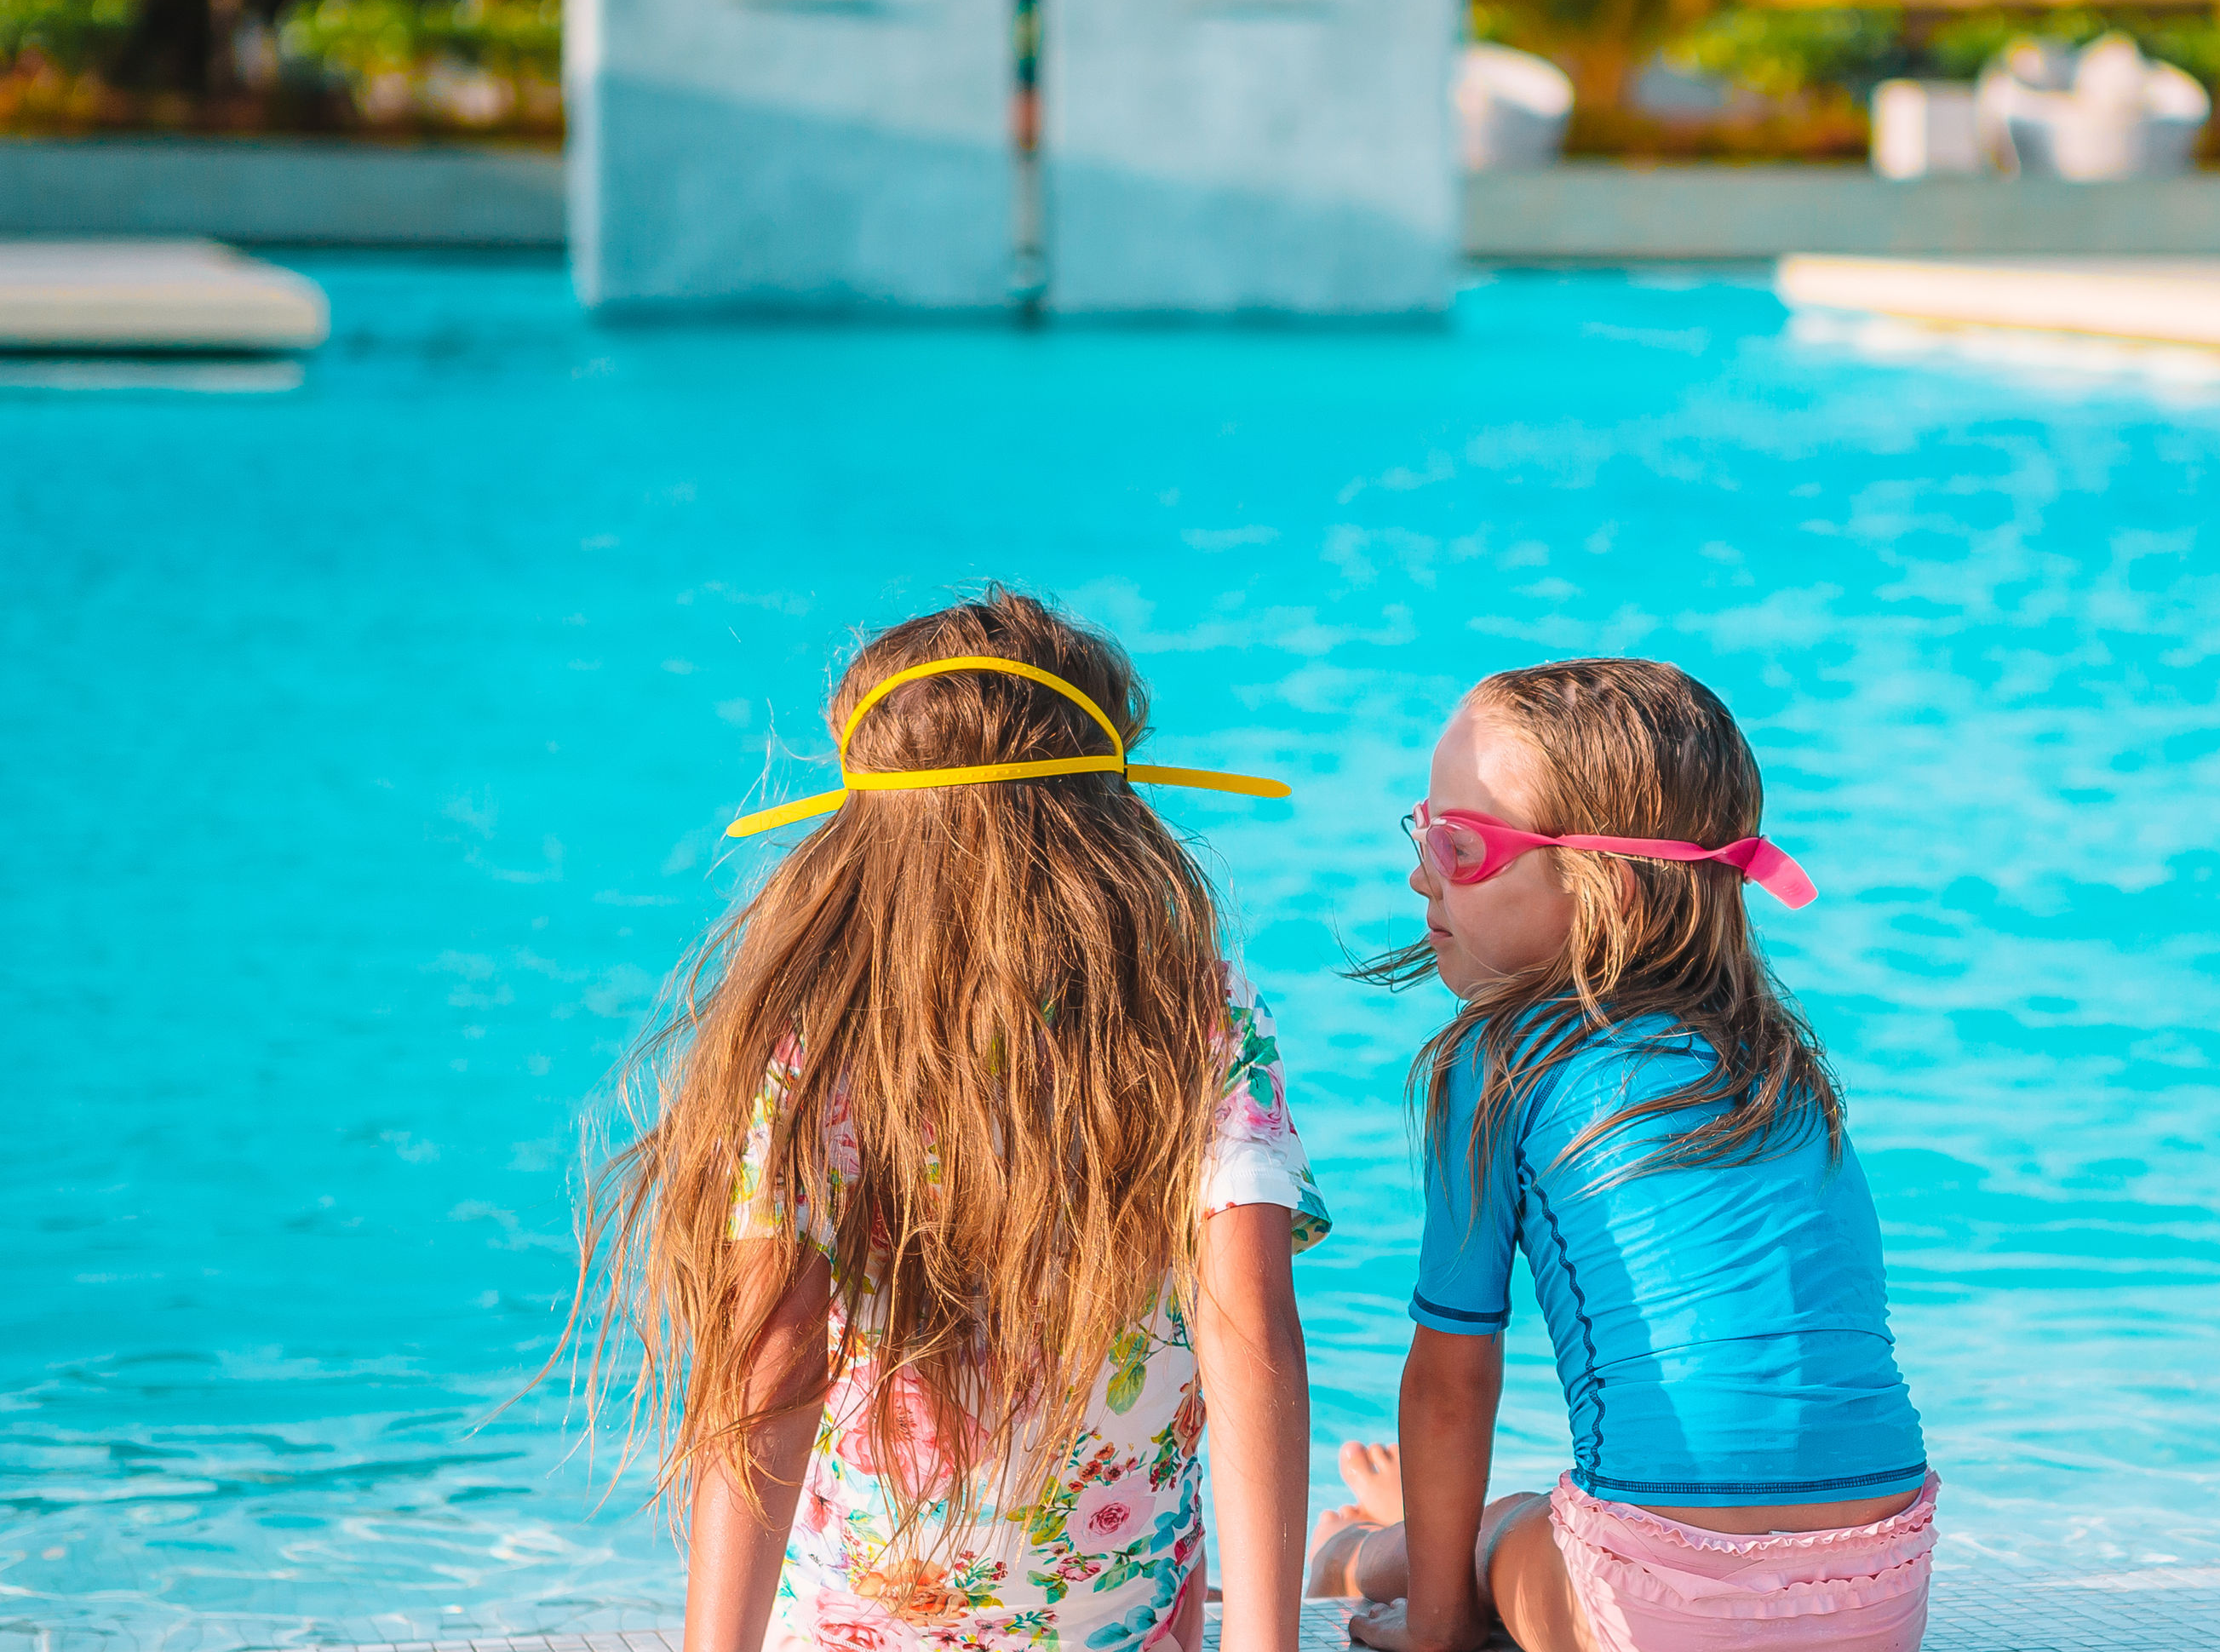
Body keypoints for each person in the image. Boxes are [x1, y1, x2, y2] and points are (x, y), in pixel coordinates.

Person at [588, 587, 1326, 1652]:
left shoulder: (822, 1028)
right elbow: (1248, 1328)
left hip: (856, 1631)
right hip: (1117, 1628)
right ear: (1113, 802)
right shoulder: (1190, 1006)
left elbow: (773, 1361)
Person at [1307, 658, 1934, 1652]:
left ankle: (1352, 1545)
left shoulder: (1501, 1056)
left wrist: (1433, 1631)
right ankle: (1406, 1525)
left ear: (1600, 878)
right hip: (1876, 1588)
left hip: (1659, 1615)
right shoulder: (1786, 1069)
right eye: (1422, 826)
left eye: (1459, 845)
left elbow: (1449, 1382)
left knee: (1497, 1531)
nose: (1420, 872)